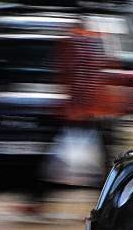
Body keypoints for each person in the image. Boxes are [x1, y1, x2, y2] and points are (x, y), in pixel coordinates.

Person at [21, 25, 118, 216]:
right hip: (92, 111)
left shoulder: (77, 46)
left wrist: (79, 109)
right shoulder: (93, 43)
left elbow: (82, 80)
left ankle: (39, 201)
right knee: (90, 162)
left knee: (66, 159)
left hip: (83, 113)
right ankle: (105, 206)